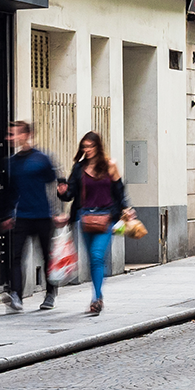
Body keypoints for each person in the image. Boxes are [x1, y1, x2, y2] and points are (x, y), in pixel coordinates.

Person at [62, 131, 134, 317]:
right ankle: (98, 294)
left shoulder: (110, 166)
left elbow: (119, 191)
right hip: (85, 218)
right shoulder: (79, 168)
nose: (87, 150)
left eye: (90, 146)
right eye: (84, 147)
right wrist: (61, 190)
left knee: (96, 255)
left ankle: (96, 298)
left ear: (98, 146)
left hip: (106, 218)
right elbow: (70, 194)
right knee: (92, 259)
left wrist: (126, 209)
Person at [2, 120, 63, 312]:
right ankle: (16, 295)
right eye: (10, 134)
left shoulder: (42, 159)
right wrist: (8, 214)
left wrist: (58, 212)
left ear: (27, 135)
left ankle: (50, 293)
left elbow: (55, 186)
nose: (10, 138)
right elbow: (10, 192)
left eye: (14, 134)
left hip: (44, 216)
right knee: (16, 256)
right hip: (22, 216)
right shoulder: (11, 162)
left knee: (47, 256)